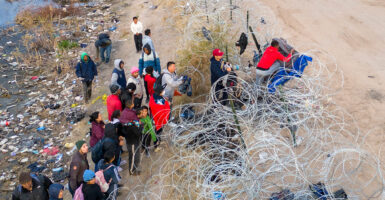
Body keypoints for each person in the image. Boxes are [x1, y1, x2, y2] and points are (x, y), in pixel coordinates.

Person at [120, 96, 142, 175]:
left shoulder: (125, 112)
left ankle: (133, 168)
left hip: (130, 137)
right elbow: (137, 128)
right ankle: (132, 171)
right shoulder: (131, 117)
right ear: (131, 105)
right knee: (133, 155)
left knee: (134, 154)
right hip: (132, 139)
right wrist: (140, 125)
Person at [149, 84, 170, 152]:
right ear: (159, 92)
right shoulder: (158, 101)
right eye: (162, 91)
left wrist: (165, 100)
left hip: (157, 118)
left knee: (158, 131)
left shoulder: (155, 96)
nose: (164, 91)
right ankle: (156, 146)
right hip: (158, 119)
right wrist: (167, 104)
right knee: (157, 132)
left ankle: (159, 141)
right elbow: (162, 110)